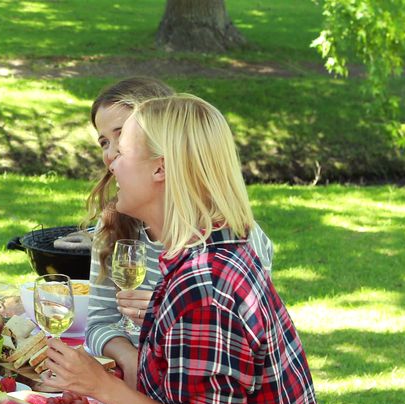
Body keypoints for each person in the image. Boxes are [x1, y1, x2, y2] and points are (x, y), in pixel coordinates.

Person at [45, 94, 336, 404]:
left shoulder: (204, 287)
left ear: (161, 169)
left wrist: (98, 385)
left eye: (123, 150)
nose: (111, 163)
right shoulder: (209, 252)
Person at [81, 78, 274, 384]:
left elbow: (242, 346)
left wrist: (164, 312)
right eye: (104, 142)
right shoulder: (116, 221)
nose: (111, 154)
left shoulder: (227, 247)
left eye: (122, 137)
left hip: (187, 400)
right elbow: (99, 322)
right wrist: (132, 360)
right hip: (149, 391)